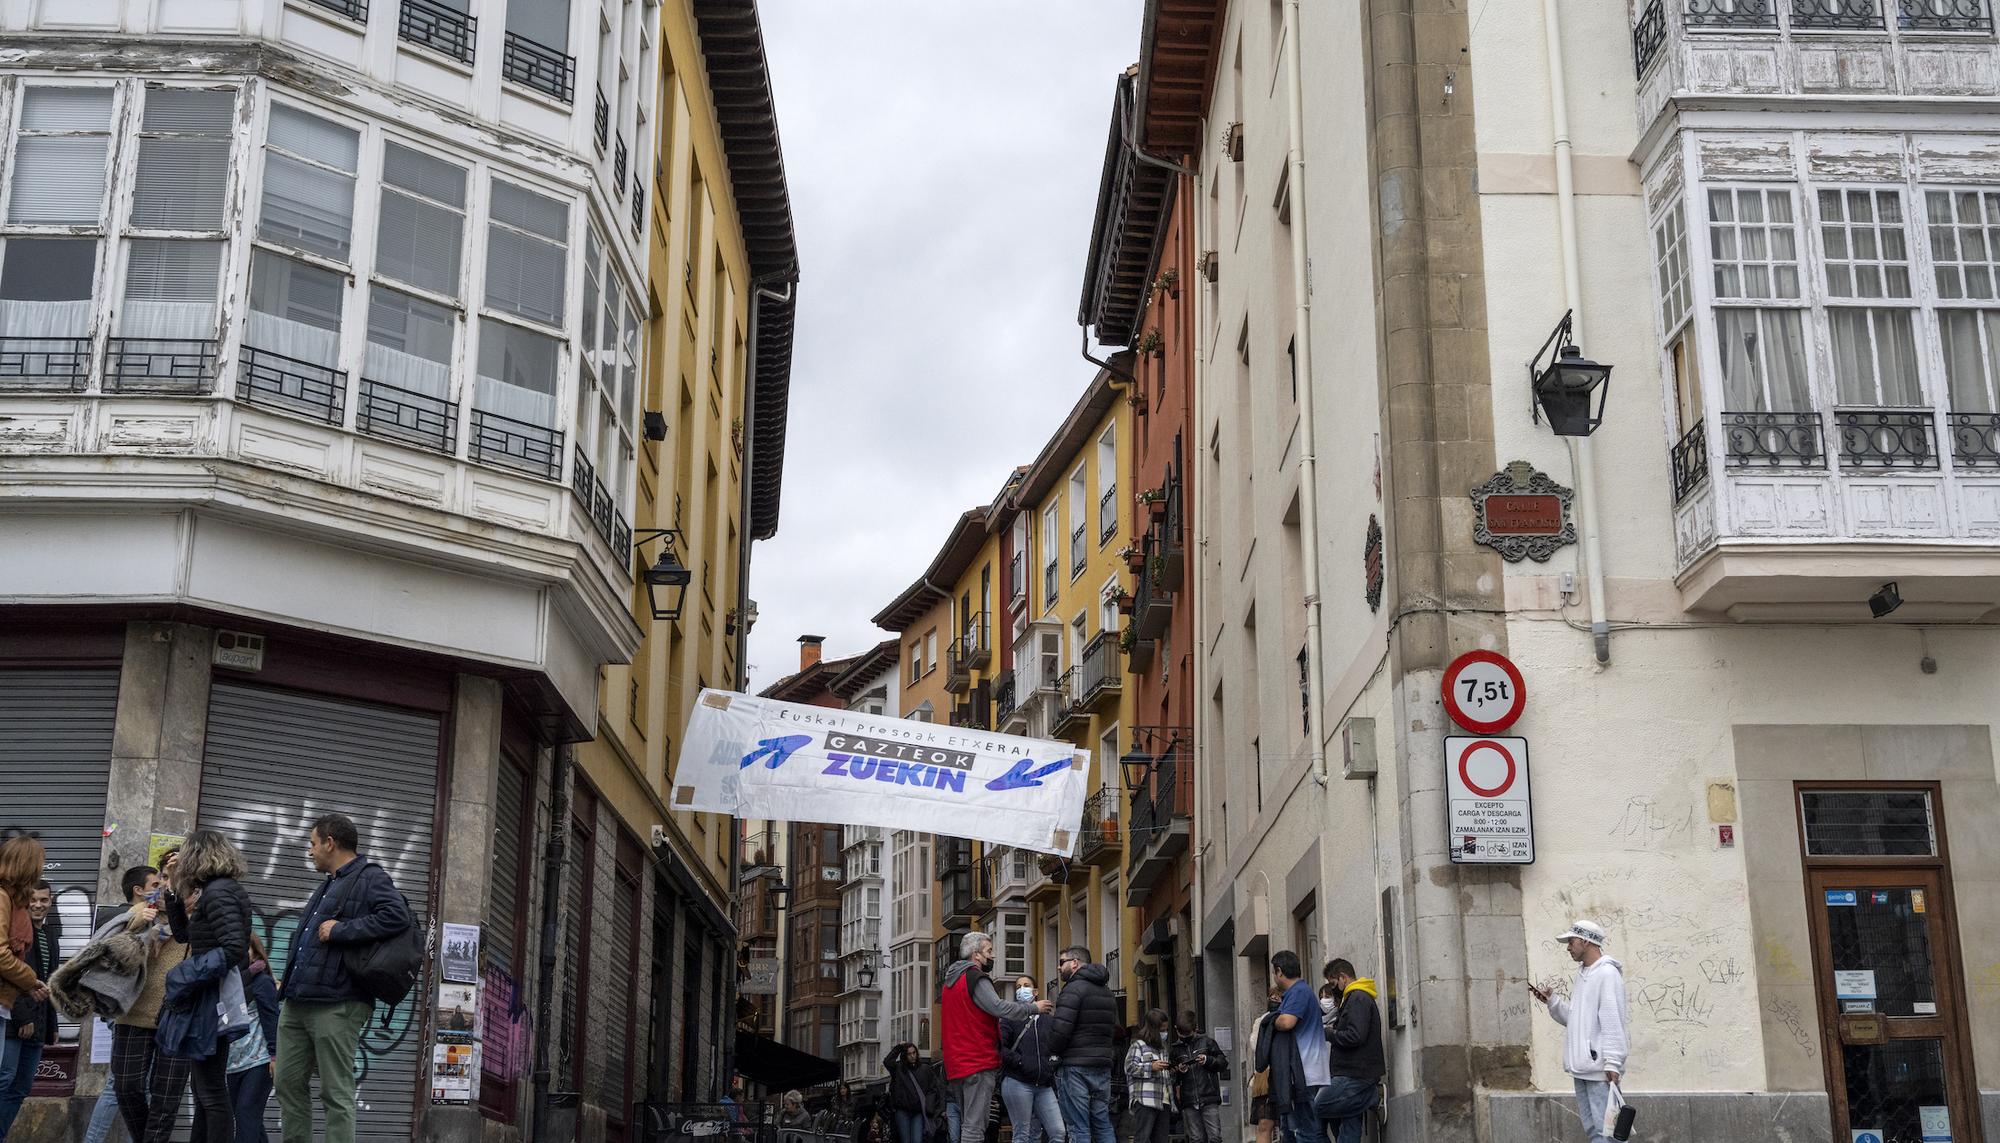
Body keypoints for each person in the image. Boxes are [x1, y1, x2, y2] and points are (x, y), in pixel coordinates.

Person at [275, 812, 412, 1143]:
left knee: (336, 1091)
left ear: (329, 843)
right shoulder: (330, 884)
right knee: (286, 1083)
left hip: (338, 1002)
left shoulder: (370, 877)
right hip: (298, 1001)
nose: (309, 851)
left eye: (312, 844)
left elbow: (397, 916)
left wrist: (343, 929)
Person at [162, 832, 253, 1141]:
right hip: (209, 994)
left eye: (185, 856)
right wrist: (173, 889)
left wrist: (187, 974)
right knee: (203, 1089)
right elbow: (184, 935)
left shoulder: (220, 893)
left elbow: (233, 948)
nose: (182, 861)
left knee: (211, 1090)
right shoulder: (213, 892)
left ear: (198, 856)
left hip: (213, 997)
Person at [939, 931, 1049, 1143]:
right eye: (989, 951)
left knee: (967, 1122)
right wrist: (1032, 1007)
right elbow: (998, 1007)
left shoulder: (950, 983)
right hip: (977, 1061)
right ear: (976, 955)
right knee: (974, 1126)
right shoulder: (975, 978)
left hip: (956, 1063)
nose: (993, 956)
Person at [1530, 921, 1629, 1143]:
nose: (1568, 947)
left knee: (1610, 1134)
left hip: (1599, 1069)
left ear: (1586, 941)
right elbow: (1576, 1020)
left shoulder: (1607, 974)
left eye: (1571, 941)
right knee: (1594, 1131)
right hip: (1582, 1068)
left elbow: (1613, 1021)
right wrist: (1552, 1002)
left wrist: (1613, 1062)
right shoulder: (1584, 974)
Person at [84, 864, 162, 1143]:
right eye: (155, 885)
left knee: (142, 1087)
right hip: (125, 1011)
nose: (161, 889)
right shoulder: (117, 916)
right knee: (118, 1085)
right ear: (138, 891)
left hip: (145, 1012)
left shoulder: (154, 917)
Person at [1041, 946, 1117, 1143]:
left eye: (1061, 962)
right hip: (1102, 1064)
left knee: (1078, 1126)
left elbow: (1060, 1031)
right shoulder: (1106, 991)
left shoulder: (1072, 990)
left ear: (1074, 963)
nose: (1059, 968)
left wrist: (1052, 1051)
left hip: (1075, 1066)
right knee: (1102, 1123)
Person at [0, 877, 56, 1141]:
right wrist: (23, 1016)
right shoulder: (17, 932)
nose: (38, 905)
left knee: (21, 1087)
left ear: (50, 902)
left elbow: (51, 980)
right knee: (5, 1079)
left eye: (43, 900)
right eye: (33, 900)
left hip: (39, 1024)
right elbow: (12, 975)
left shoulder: (50, 936)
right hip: (15, 1021)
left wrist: (52, 1026)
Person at [1311, 959, 1383, 1143]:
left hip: (1355, 1073)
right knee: (1350, 1121)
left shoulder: (1357, 998)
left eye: (1333, 983)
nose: (1333, 988)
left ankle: (1371, 1096)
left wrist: (1329, 1034)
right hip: (1352, 1071)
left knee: (1319, 1106)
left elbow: (1355, 1035)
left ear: (1343, 978)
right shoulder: (1352, 999)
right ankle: (1366, 1098)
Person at [998, 974, 1065, 1143]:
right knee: (1023, 1133)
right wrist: (1020, 1061)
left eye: (1026, 985)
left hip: (1043, 1084)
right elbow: (1000, 1047)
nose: (1021, 990)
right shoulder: (1010, 1017)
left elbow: (1056, 1045)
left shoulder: (1048, 1020)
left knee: (1058, 1132)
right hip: (1017, 1081)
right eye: (1018, 987)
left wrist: (1052, 1062)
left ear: (1035, 991)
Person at [1269, 950, 1327, 1143]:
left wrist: (1271, 1020)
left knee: (1305, 1131)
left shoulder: (1299, 992)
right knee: (1294, 1131)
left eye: (1274, 972)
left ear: (1279, 971)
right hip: (1300, 1071)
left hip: (1304, 1072)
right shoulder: (1299, 992)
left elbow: (1286, 1022)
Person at [1171, 1010, 1226, 1143]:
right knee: (1196, 1138)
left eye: (1187, 1034)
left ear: (1195, 1028)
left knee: (1214, 1136)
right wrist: (1179, 1070)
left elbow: (1223, 1063)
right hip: (1188, 1099)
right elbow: (1171, 1074)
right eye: (1181, 1034)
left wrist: (1208, 1060)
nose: (1184, 1037)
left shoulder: (1207, 1042)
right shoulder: (1175, 1049)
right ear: (1176, 1030)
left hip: (1208, 1096)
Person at [1122, 1010, 1174, 1143]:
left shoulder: (1163, 1048)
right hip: (1146, 1099)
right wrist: (1151, 1067)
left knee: (1161, 1139)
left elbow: (1165, 1073)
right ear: (1154, 1029)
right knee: (1142, 1138)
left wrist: (1174, 1070)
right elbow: (1129, 1068)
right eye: (1162, 1029)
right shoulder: (1138, 1045)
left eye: (1166, 1029)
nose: (1165, 1033)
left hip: (1164, 1099)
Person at [883, 1042, 944, 1143]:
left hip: (918, 1112)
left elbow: (933, 1088)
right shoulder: (898, 1069)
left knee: (917, 1140)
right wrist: (899, 1047)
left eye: (914, 1053)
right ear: (904, 1055)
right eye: (909, 1054)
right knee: (906, 1140)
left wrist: (930, 1104)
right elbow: (887, 1062)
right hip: (902, 1111)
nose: (912, 1056)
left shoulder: (925, 1069)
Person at [1244, 988, 1283, 1143]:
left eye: (1278, 997)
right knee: (1264, 1124)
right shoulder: (1261, 1021)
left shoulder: (1290, 1018)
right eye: (1272, 997)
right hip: (1264, 1078)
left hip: (1283, 1075)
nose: (1274, 1000)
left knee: (1288, 1126)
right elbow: (1255, 1046)